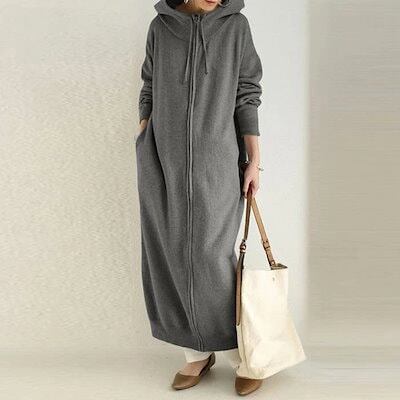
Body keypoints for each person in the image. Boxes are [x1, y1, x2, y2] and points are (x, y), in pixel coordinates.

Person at [136, 0, 263, 395]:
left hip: (218, 159)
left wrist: (254, 160)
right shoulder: (160, 28)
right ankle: (196, 353)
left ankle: (243, 353)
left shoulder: (236, 27)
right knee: (171, 251)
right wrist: (143, 131)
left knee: (213, 256)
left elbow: (247, 92)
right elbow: (149, 84)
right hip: (162, 158)